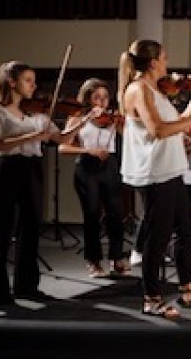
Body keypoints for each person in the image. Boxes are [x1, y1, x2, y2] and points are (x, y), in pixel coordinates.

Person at [119, 40, 191, 317]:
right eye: (164, 59)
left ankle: (188, 290)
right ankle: (151, 298)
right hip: (154, 172)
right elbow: (158, 130)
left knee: (185, 231)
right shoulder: (138, 89)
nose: (168, 64)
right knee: (157, 238)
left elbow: (178, 125)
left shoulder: (156, 90)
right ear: (153, 62)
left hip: (172, 168)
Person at [0, 60, 72, 304]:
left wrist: (82, 120)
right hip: (5, 168)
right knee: (0, 230)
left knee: (30, 229)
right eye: (28, 80)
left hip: (31, 168)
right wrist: (32, 136)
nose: (34, 85)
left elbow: (61, 138)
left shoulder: (37, 113)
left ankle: (26, 286)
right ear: (12, 82)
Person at [58, 78, 127, 278]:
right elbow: (63, 146)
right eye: (97, 98)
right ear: (88, 99)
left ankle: (116, 258)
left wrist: (121, 122)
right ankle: (93, 261)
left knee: (116, 214)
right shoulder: (78, 117)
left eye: (105, 97)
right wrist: (88, 149)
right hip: (87, 167)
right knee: (92, 216)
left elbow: (130, 136)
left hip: (110, 166)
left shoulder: (112, 118)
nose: (102, 102)